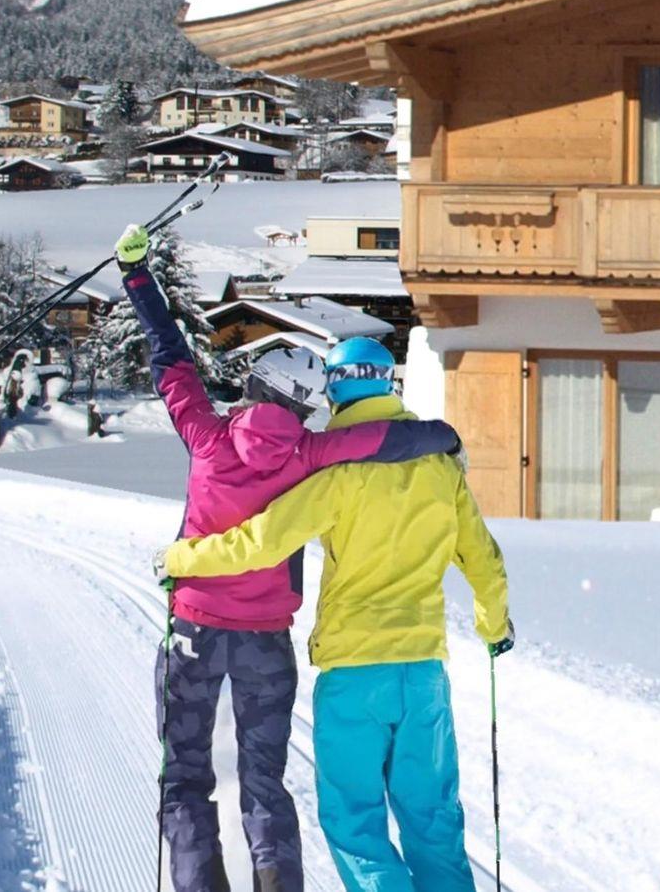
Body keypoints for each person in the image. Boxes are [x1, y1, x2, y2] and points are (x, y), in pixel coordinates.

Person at [118, 224, 462, 892]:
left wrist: (137, 275)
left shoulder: (206, 435)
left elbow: (170, 358)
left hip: (193, 630)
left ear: (253, 386)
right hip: (265, 643)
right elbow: (382, 441)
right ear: (304, 404)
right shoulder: (311, 453)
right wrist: (441, 435)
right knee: (263, 780)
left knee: (185, 775)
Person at [158, 331, 512, 892]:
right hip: (423, 670)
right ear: (389, 385)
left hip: (354, 673)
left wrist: (182, 557)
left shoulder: (335, 474)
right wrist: (494, 626)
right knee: (433, 816)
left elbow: (262, 543)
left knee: (356, 824)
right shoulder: (443, 471)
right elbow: (484, 560)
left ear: (335, 395)